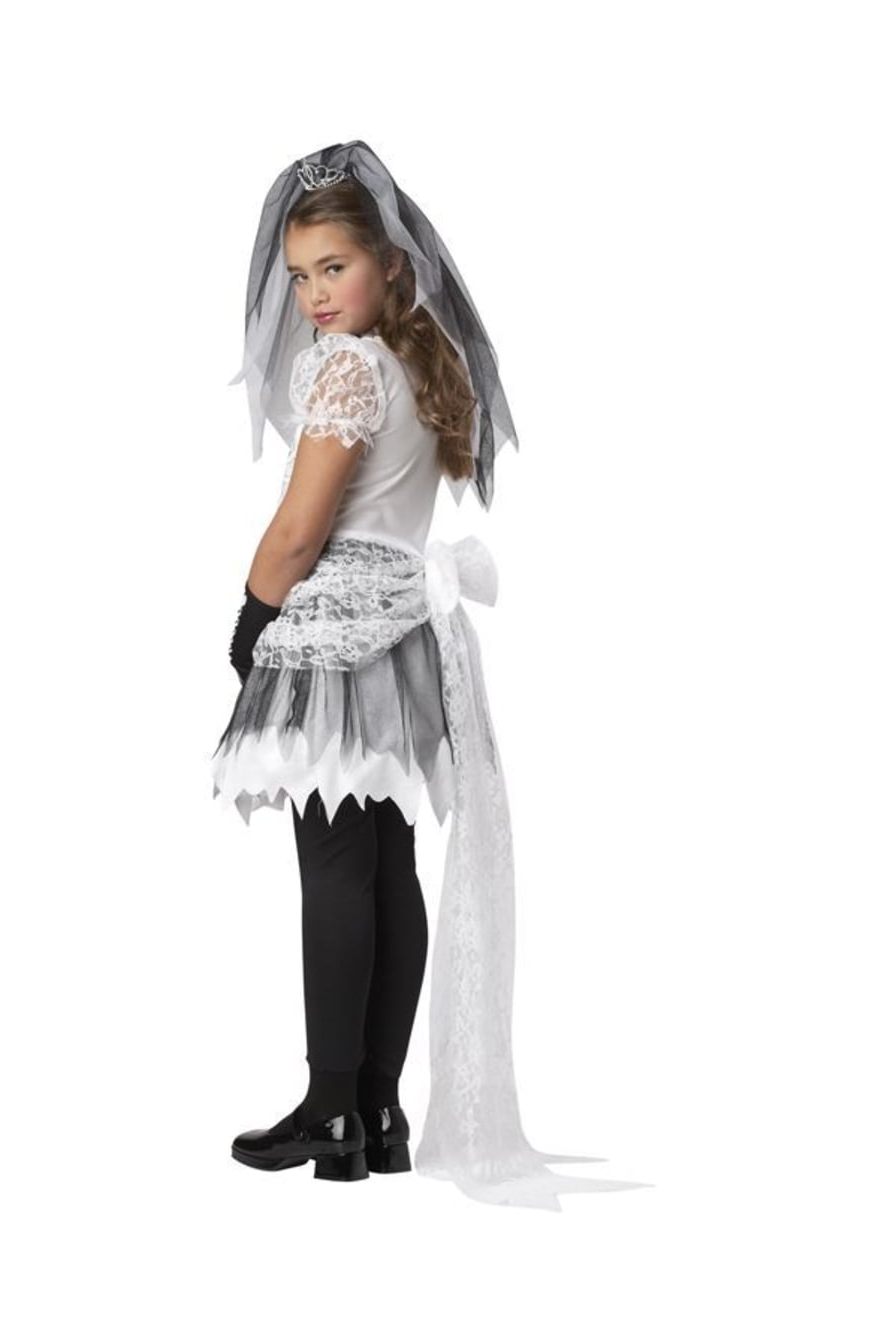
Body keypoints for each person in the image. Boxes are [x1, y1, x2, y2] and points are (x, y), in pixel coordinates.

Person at [210, 142, 592, 1210]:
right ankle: (376, 1109)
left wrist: (252, 617)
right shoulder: (425, 366)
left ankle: (329, 1103)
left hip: (333, 631)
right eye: (299, 276)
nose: (313, 295)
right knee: (385, 865)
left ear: (387, 262)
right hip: (405, 633)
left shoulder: (347, 369)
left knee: (334, 866)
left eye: (333, 267)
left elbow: (301, 526)